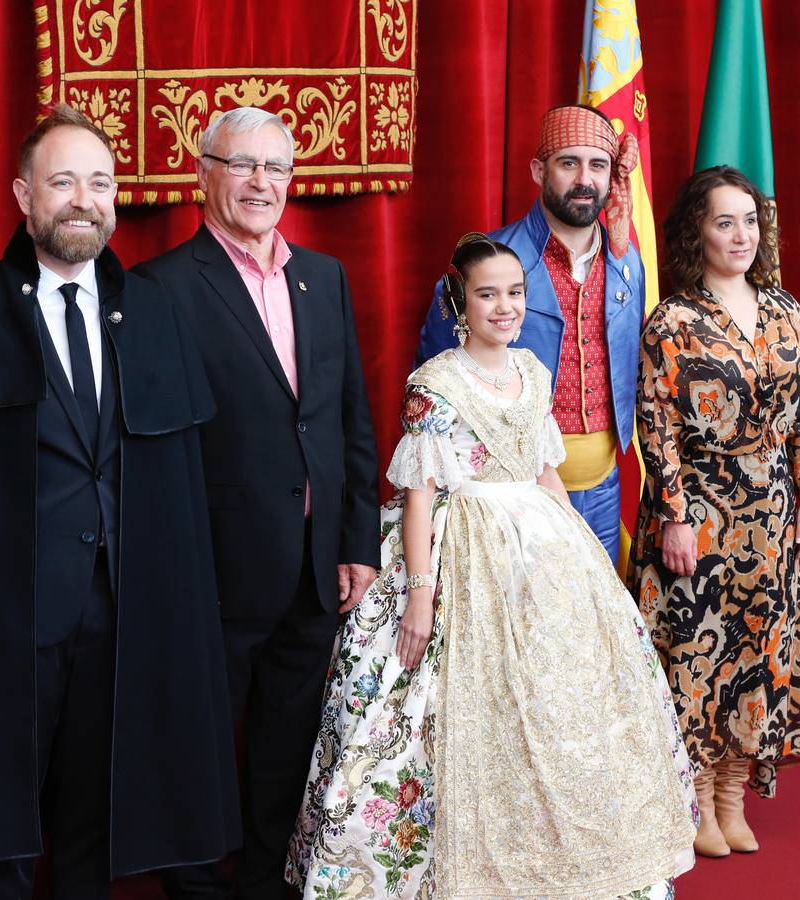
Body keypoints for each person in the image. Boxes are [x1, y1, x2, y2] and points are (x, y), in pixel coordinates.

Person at [0, 105, 238, 898]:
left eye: (99, 183)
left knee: (94, 823)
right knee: (2, 835)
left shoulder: (157, 317)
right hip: (4, 624)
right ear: (24, 196)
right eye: (63, 182)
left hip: (123, 620)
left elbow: (180, 496)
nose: (83, 200)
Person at [287, 233, 698, 898]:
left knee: (558, 706)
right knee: (433, 708)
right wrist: (420, 595)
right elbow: (417, 498)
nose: (505, 307)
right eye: (488, 294)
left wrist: (585, 563)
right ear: (460, 302)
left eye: (514, 293)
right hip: (458, 547)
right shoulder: (436, 384)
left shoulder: (534, 374)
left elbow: (546, 476)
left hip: (536, 554)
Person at [136, 107, 380, 899]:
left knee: (288, 749)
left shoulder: (325, 276)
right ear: (202, 174)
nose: (259, 183)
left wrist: (357, 542)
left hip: (314, 567)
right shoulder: (160, 287)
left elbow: (347, 417)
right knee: (198, 751)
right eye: (241, 166)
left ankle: (270, 886)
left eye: (275, 168)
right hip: (212, 570)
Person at [628, 165, 800, 858]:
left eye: (750, 220)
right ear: (697, 231)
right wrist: (675, 515)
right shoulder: (673, 321)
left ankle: (731, 796)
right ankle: (694, 799)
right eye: (725, 221)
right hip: (700, 512)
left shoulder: (787, 313)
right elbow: (654, 425)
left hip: (770, 513)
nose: (740, 235)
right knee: (694, 656)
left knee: (756, 654)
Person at [415, 104, 644, 563]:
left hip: (603, 488)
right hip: (509, 494)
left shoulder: (627, 262)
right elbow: (433, 378)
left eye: (598, 165)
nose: (585, 179)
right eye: (568, 163)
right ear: (539, 170)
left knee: (593, 623)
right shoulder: (488, 261)